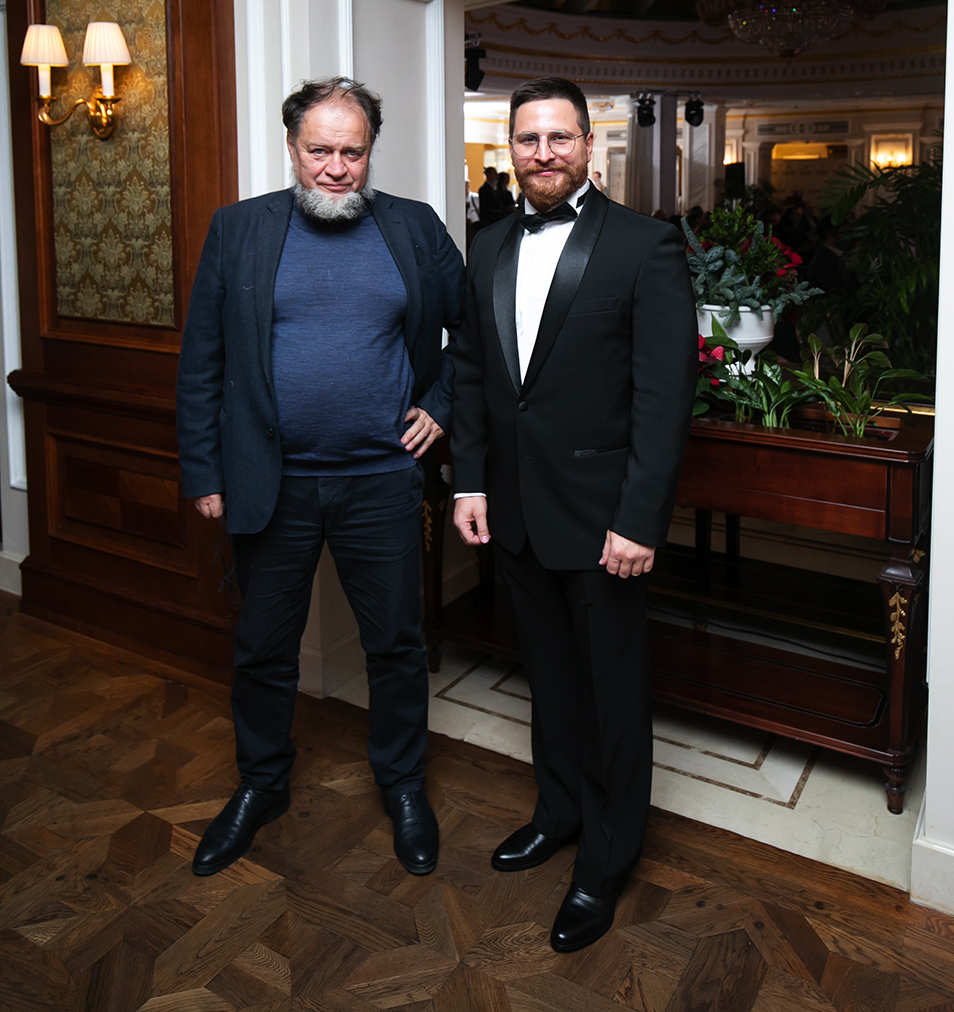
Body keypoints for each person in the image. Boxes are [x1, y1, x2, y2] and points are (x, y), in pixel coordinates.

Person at [176, 76, 465, 879]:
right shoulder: (239, 229)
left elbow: (473, 330)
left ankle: (403, 785)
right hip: (272, 483)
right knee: (264, 647)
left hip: (382, 481)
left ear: (370, 151)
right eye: (320, 151)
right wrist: (204, 469)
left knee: (396, 645)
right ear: (292, 147)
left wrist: (441, 405)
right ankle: (261, 784)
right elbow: (202, 360)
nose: (337, 168)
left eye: (352, 152)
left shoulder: (413, 227)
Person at [451, 76, 697, 954]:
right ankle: (557, 812)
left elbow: (664, 398)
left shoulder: (645, 245)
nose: (543, 153)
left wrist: (639, 520)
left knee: (612, 695)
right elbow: (472, 374)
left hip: (604, 524)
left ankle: (607, 856)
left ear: (589, 145)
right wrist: (469, 484)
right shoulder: (486, 244)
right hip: (514, 513)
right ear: (510, 150)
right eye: (528, 139)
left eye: (560, 137)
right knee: (549, 682)